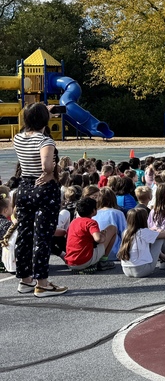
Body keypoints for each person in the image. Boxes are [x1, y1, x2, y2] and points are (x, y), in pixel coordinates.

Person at [12, 103, 67, 296]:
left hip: (25, 187)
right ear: (45, 120)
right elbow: (46, 165)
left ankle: (25, 279)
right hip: (44, 189)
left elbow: (30, 129)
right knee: (42, 237)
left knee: (24, 234)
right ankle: (42, 283)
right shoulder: (45, 142)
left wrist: (41, 112)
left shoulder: (18, 138)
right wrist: (50, 173)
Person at [64, 197, 117, 273]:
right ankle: (103, 261)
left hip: (70, 262)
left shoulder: (73, 222)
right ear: (93, 211)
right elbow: (98, 239)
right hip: (84, 261)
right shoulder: (91, 222)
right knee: (112, 228)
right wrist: (103, 235)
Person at [118, 207, 165, 278]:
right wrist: (159, 230)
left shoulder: (125, 233)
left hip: (126, 270)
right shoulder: (144, 232)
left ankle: (164, 258)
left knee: (152, 239)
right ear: (144, 220)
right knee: (160, 238)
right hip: (142, 270)